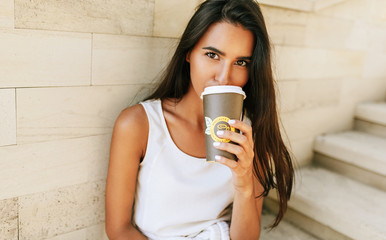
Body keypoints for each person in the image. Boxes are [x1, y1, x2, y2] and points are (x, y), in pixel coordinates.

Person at [105, 0, 294, 239]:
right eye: (213, 55)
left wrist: (244, 183)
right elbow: (118, 229)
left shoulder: (248, 133)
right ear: (189, 53)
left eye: (241, 62)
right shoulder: (139, 125)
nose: (224, 77)